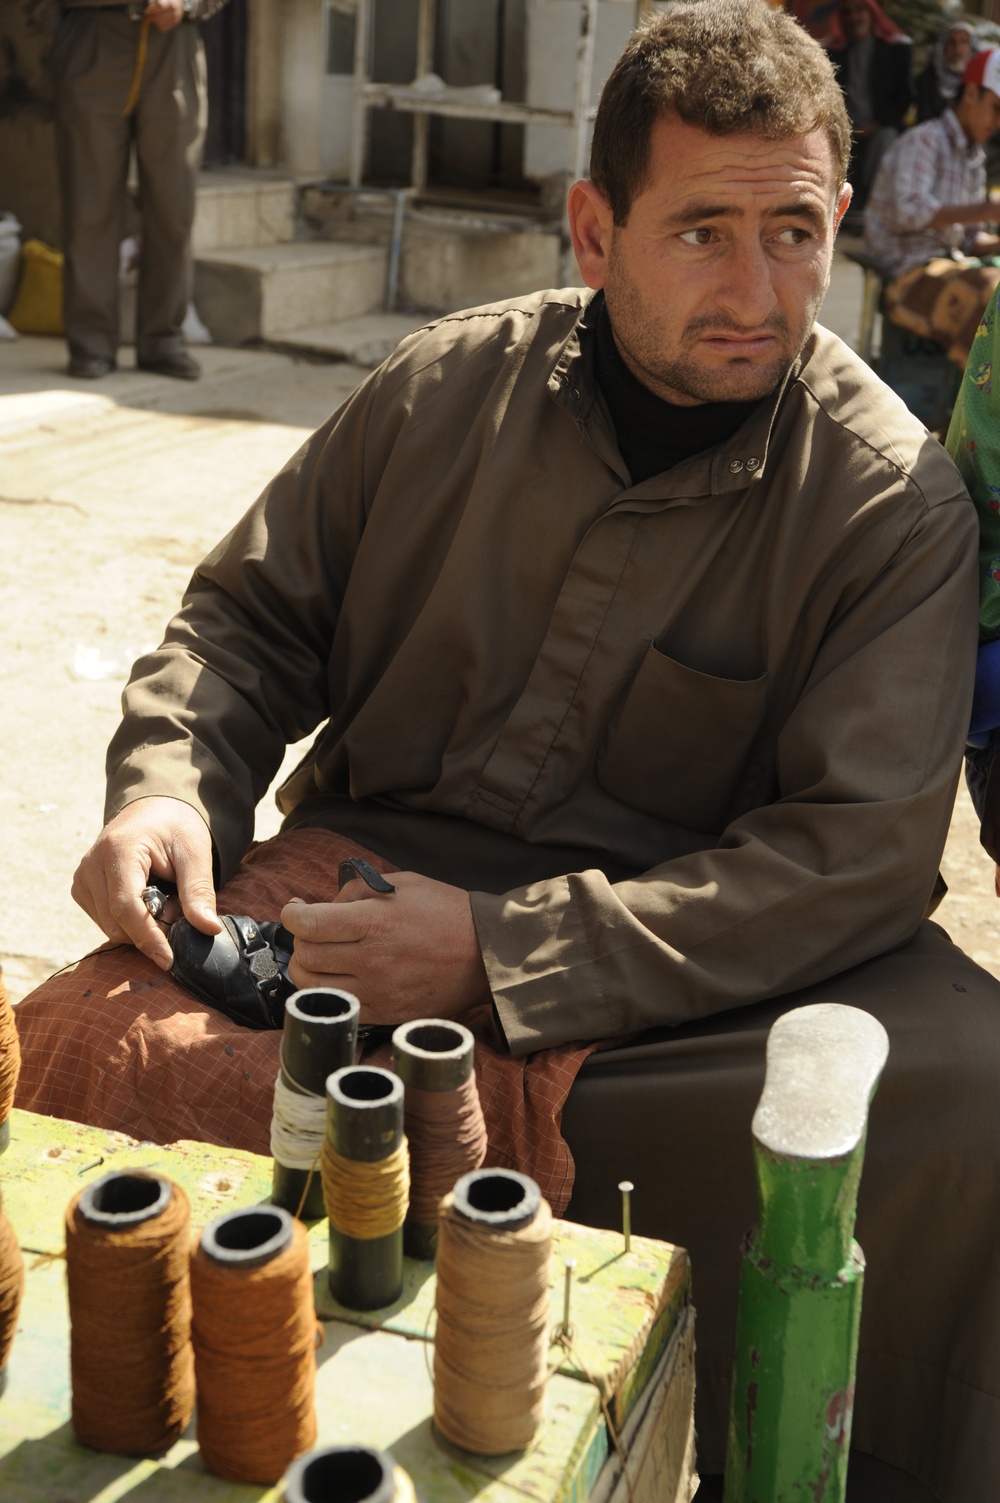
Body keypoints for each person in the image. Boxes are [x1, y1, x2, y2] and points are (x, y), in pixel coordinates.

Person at [14, 2, 1000, 1494]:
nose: (758, 286)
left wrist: (498, 952)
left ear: (843, 220)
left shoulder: (890, 503)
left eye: (794, 231)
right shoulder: (444, 384)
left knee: (965, 1091)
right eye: (703, 232)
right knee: (87, 1037)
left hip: (674, 971)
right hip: (353, 888)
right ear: (594, 230)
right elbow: (243, 622)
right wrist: (165, 785)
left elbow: (849, 855)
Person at [50, 0, 229, 382]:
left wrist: (188, 4)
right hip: (94, 38)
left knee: (173, 207)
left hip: (173, 45)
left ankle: (163, 340)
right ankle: (90, 343)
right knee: (89, 206)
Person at [864, 46, 1000, 368]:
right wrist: (987, 209)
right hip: (904, 274)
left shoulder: (974, 162)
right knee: (992, 293)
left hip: (950, 266)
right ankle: (980, 408)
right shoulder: (924, 140)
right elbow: (909, 210)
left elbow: (967, 242)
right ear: (970, 94)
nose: (999, 122)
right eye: (996, 108)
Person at [826, 0, 913, 211]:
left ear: (872, 14)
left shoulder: (896, 50)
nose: (854, 18)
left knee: (886, 139)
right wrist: (846, 126)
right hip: (844, 128)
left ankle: (875, 210)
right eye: (847, 12)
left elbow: (904, 96)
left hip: (880, 126)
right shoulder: (833, 53)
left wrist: (876, 124)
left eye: (859, 10)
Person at [916, 18, 976, 123]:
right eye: (952, 43)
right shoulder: (927, 79)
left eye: (963, 42)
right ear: (943, 46)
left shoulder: (975, 83)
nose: (958, 49)